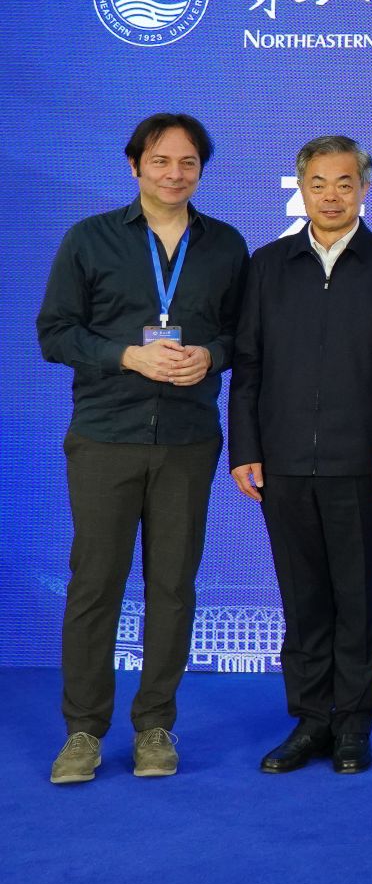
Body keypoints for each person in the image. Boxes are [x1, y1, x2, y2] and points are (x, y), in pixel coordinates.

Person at [37, 113, 248, 784]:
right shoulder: (90, 239)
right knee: (95, 585)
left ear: (201, 171)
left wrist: (211, 355)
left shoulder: (225, 245)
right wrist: (126, 355)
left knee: (173, 586)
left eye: (188, 163)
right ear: (135, 166)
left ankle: (155, 724)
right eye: (160, 161)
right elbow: (54, 332)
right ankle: (83, 731)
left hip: (188, 439)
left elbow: (244, 335)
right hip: (105, 436)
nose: (174, 174)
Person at [228, 135, 372, 775]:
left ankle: (354, 725)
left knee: (357, 598)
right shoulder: (268, 265)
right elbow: (248, 364)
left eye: (345, 183)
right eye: (319, 183)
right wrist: (245, 448)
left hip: (362, 463)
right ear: (301, 188)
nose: (332, 195)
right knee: (303, 598)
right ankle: (311, 720)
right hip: (282, 461)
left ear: (365, 189)